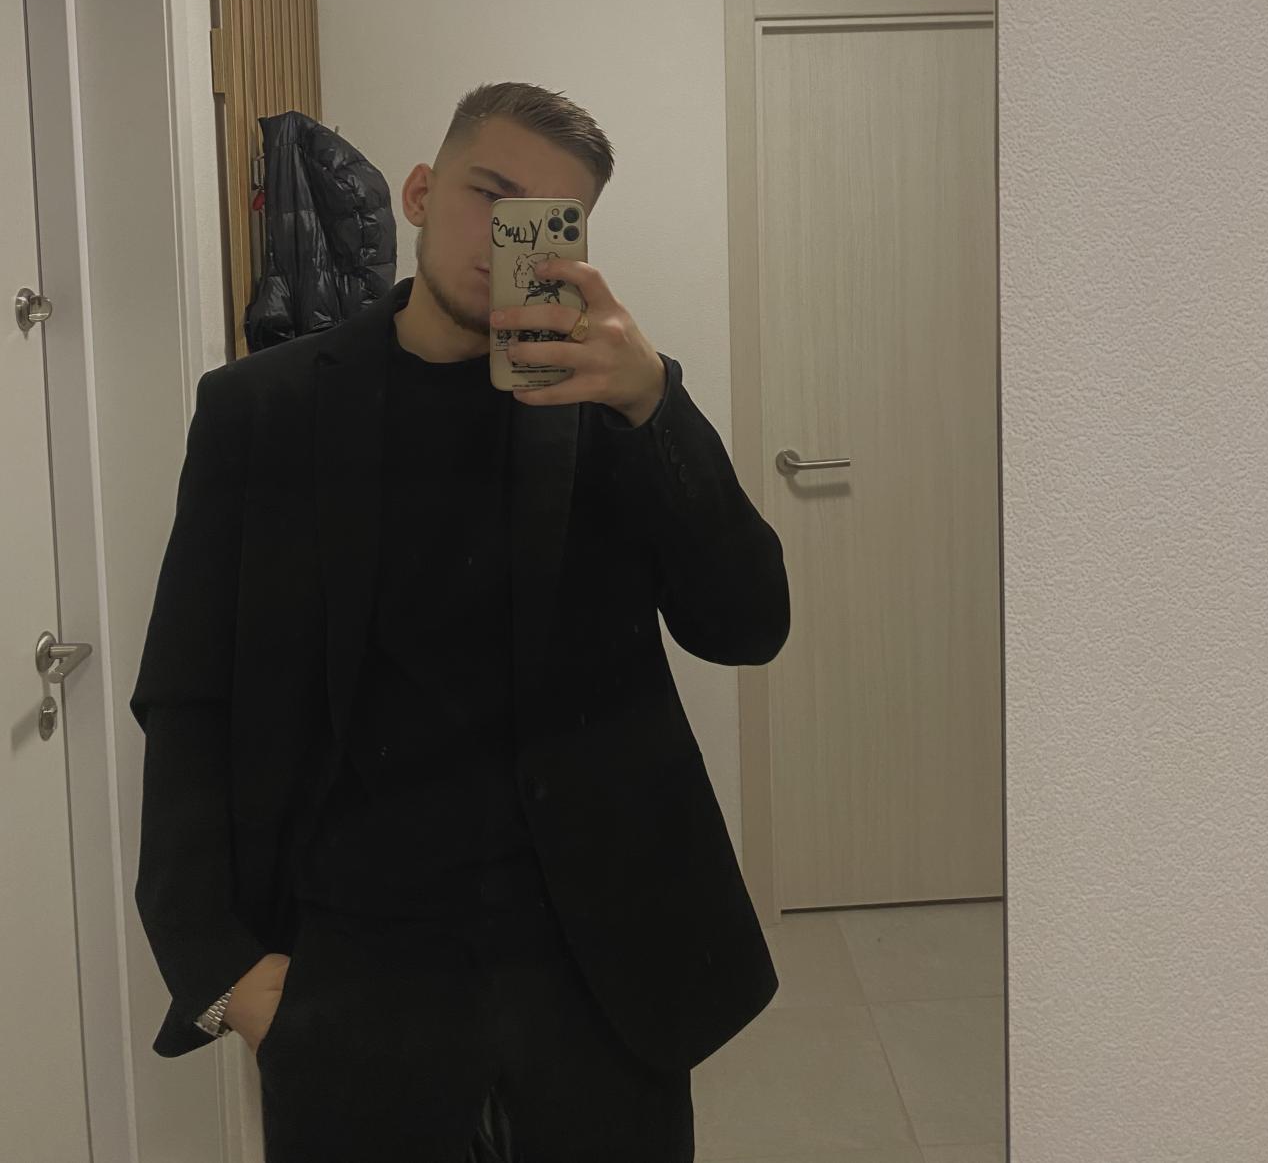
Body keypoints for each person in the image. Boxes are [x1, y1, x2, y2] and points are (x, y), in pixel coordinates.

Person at [130, 80, 790, 1162]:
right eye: (488, 193)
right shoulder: (264, 408)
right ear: (420, 193)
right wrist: (221, 967)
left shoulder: (602, 401)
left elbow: (746, 624)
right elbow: (189, 688)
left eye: (547, 219)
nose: (505, 234)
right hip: (355, 958)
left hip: (593, 960)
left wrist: (653, 404)